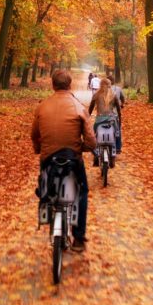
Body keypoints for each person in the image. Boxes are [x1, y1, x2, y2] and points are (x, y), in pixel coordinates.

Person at [31, 69, 95, 251]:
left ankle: (46, 206)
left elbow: (34, 135)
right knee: (82, 191)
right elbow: (91, 140)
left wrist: (39, 150)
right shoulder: (79, 106)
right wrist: (82, 148)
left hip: (48, 159)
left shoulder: (42, 106)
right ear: (70, 85)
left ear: (52, 85)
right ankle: (79, 238)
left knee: (44, 185)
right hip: (72, 159)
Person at [89, 76, 122, 160]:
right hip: (112, 120)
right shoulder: (114, 95)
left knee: (94, 135)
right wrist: (120, 119)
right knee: (117, 133)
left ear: (100, 85)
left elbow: (90, 108)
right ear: (110, 85)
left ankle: (95, 151)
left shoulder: (96, 95)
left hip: (99, 120)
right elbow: (118, 109)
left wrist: (88, 117)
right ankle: (116, 149)